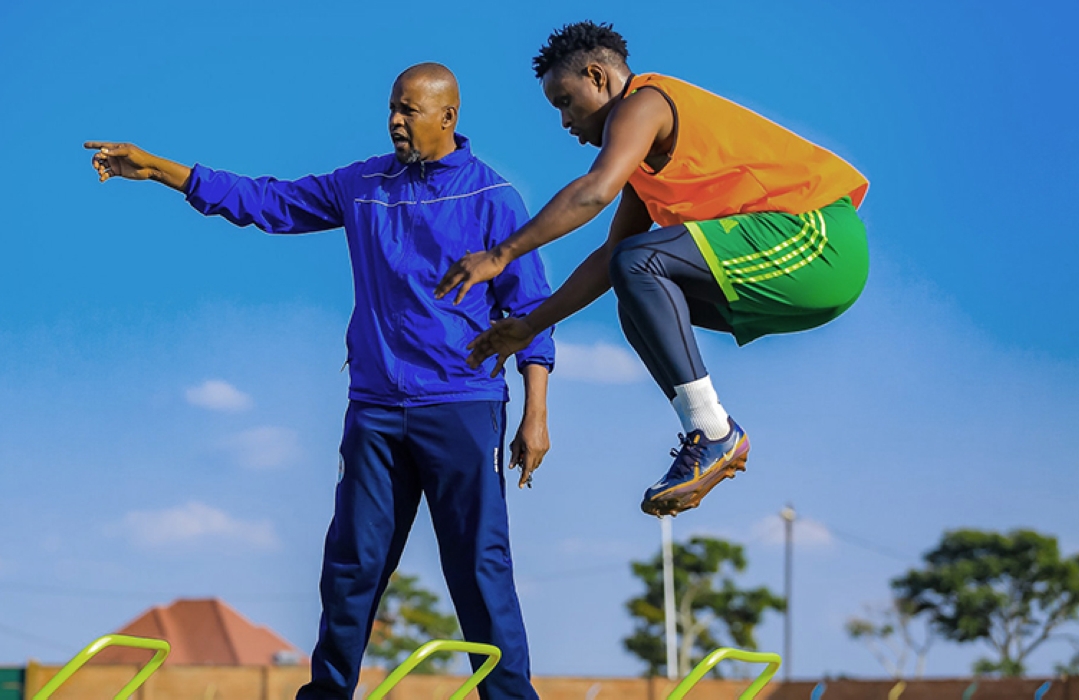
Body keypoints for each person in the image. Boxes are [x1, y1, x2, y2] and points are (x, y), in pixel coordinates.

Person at [84, 63, 553, 700]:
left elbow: (530, 311)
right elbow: (267, 202)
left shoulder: (492, 198)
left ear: (448, 117)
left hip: (462, 405)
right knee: (352, 566)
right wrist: (164, 171)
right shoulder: (361, 185)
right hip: (378, 409)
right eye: (391, 106)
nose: (394, 119)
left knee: (480, 567)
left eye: (409, 110)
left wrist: (535, 414)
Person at [436, 22, 869, 518]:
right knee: (633, 292)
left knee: (637, 262)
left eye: (564, 101)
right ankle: (707, 431)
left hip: (818, 241)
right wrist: (530, 326)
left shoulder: (647, 102)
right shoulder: (644, 171)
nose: (564, 122)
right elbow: (610, 259)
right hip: (802, 269)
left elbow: (595, 192)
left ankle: (714, 432)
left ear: (598, 77)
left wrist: (501, 255)